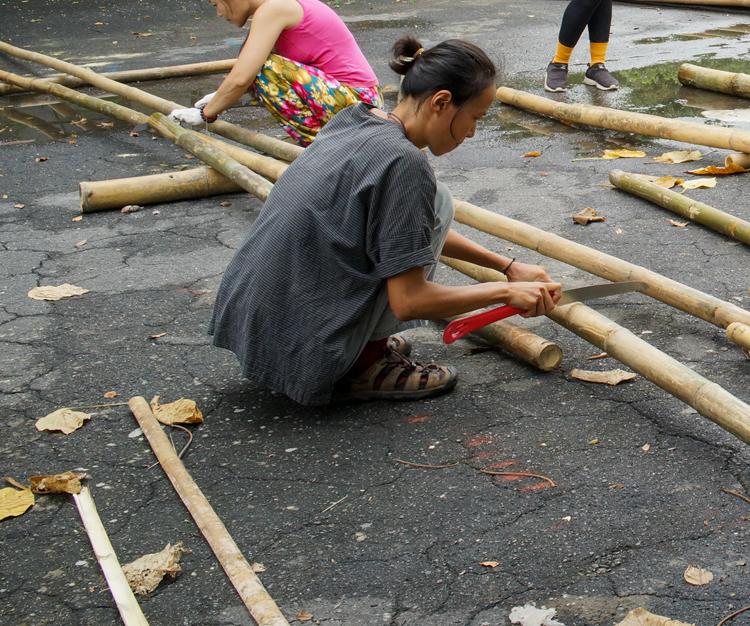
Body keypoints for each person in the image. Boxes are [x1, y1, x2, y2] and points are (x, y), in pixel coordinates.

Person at [210, 37, 563, 405]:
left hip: (258, 328)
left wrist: (507, 267)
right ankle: (362, 365)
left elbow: (407, 231)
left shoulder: (354, 119)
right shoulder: (404, 163)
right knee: (434, 197)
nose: (473, 131)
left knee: (437, 200)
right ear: (441, 102)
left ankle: (357, 341)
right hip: (304, 353)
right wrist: (507, 293)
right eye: (474, 117)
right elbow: (410, 302)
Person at [174, 0, 381, 144]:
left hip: (360, 106)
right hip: (355, 101)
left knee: (266, 68)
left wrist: (204, 114)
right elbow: (242, 78)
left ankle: (323, 146)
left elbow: (241, 78)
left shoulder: (274, 8)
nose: (218, 13)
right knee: (261, 68)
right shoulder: (279, 1)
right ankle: (325, 144)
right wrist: (218, 99)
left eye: (215, 4)